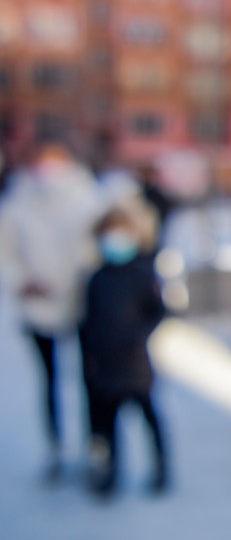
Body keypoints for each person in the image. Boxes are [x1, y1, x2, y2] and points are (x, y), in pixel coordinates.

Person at [0, 137, 105, 482]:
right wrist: (22, 281)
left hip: (82, 303)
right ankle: (57, 448)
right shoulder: (18, 204)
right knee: (50, 381)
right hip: (39, 305)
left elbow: (99, 245)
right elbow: (7, 253)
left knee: (91, 379)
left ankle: (95, 446)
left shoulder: (87, 198)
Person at [78, 205, 169, 498]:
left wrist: (136, 336)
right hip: (105, 366)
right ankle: (112, 473)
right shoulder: (97, 278)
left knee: (149, 416)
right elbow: (88, 321)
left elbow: (157, 311)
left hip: (135, 362)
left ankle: (161, 470)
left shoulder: (142, 273)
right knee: (109, 424)